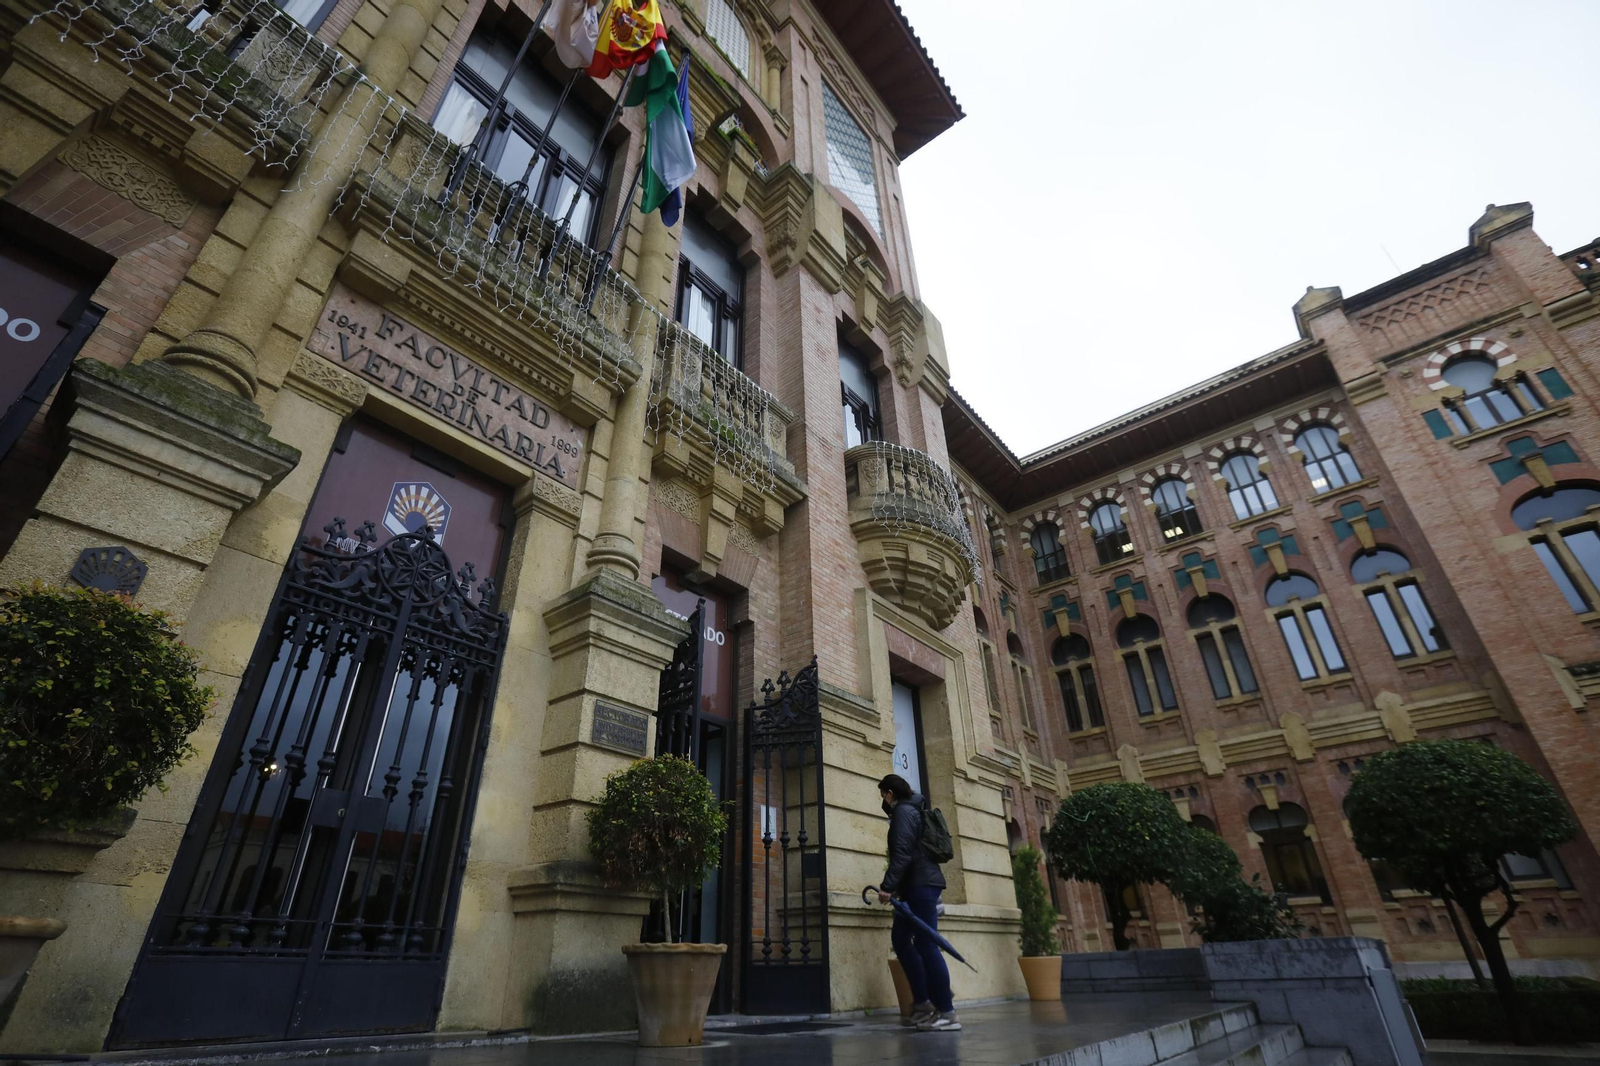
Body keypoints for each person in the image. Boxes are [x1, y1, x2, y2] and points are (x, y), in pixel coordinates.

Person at [877, 773, 959, 1032]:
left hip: (921, 886)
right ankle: (923, 1004)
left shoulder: (903, 812)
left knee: (926, 944)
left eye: (883, 795)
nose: (883, 800)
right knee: (901, 940)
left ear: (891, 793)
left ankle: (946, 1011)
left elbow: (902, 854)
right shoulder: (912, 810)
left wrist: (887, 887)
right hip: (917, 886)